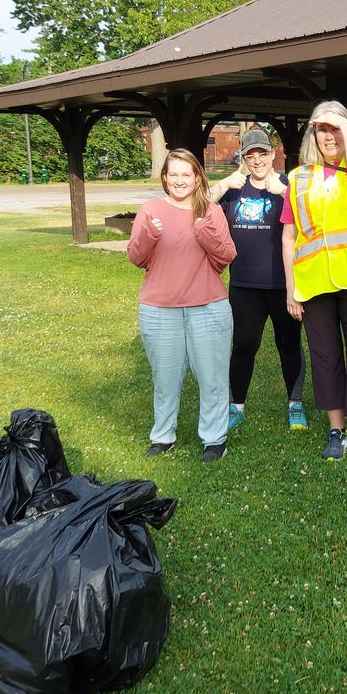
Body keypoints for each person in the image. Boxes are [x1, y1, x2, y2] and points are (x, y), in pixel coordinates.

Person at [280, 100, 347, 465]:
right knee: (325, 357)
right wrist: (290, 287)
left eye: (336, 127)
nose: (329, 135)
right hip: (314, 282)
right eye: (322, 128)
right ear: (313, 134)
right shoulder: (298, 177)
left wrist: (344, 126)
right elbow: (288, 235)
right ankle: (336, 430)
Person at [127, 148, 237, 462]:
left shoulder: (210, 211)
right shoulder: (149, 209)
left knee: (213, 377)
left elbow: (226, 257)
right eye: (173, 174)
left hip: (208, 307)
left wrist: (204, 232)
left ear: (197, 178)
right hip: (160, 310)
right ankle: (163, 437)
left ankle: (214, 439)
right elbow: (137, 258)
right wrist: (148, 234)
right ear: (164, 178)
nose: (179, 180)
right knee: (165, 378)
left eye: (186, 174)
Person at [209, 128, 308, 433]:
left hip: (283, 284)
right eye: (250, 155)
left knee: (288, 344)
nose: (256, 160)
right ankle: (236, 406)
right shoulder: (236, 188)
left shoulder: (288, 185)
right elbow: (200, 204)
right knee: (243, 345)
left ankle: (295, 404)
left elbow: (311, 216)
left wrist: (283, 192)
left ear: (272, 153)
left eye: (261, 154)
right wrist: (226, 182)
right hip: (244, 283)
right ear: (244, 158)